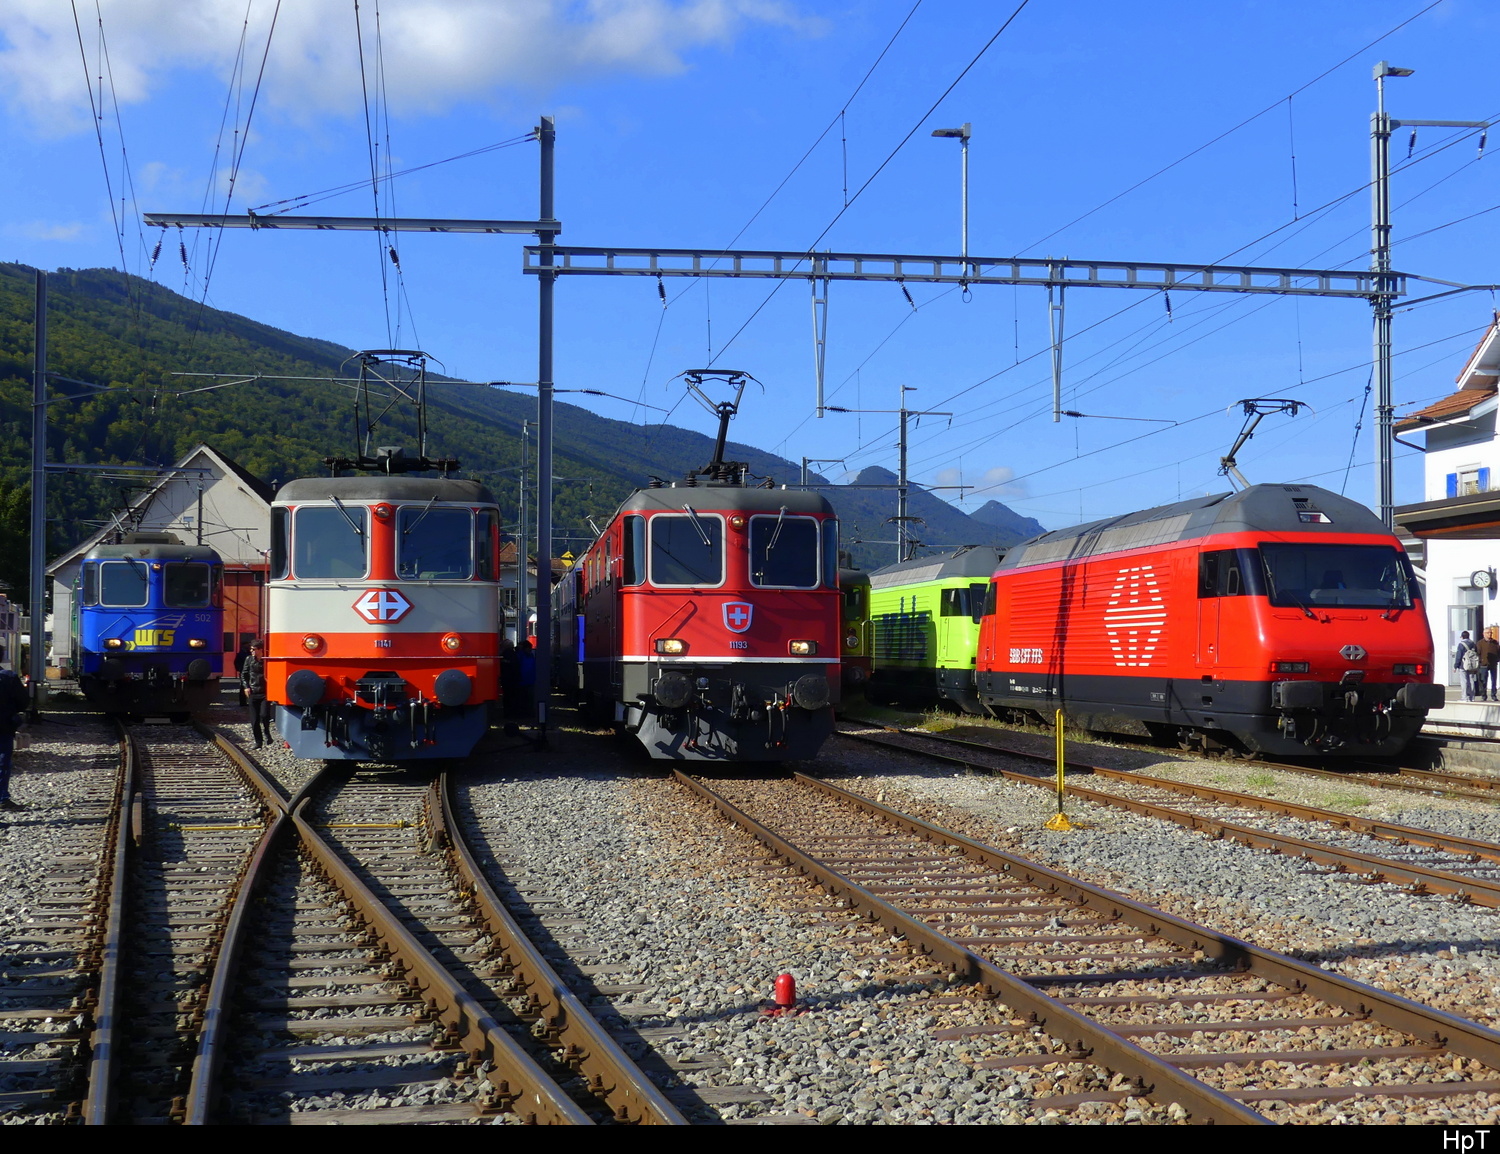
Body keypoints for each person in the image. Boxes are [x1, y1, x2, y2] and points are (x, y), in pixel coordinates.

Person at [0, 646, 29, 811]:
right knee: (2, 762)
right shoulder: (9, 678)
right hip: (3, 726)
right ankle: (2, 798)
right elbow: (23, 702)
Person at [242, 639, 270, 748]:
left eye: (253, 649)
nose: (251, 651)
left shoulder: (266, 660)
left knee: (264, 715)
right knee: (254, 720)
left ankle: (267, 733)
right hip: (253, 692)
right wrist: (246, 687)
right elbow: (244, 674)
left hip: (264, 693)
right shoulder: (249, 660)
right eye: (251, 649)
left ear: (260, 650)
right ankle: (258, 741)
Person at [1456, 630, 1481, 701]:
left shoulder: (1461, 644)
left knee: (1464, 681)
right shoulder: (1473, 643)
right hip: (1472, 665)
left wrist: (1456, 665)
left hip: (1463, 665)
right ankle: (1472, 697)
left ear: (1462, 637)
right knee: (1471, 680)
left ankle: (1465, 697)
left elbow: (1459, 655)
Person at [1482, 627, 1500, 702]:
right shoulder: (1480, 643)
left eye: (1490, 633)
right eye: (1488, 633)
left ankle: (1493, 695)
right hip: (1483, 664)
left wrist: (1497, 659)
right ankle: (1484, 695)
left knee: (1494, 680)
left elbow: (1499, 652)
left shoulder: (1495, 643)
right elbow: (1478, 653)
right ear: (1484, 634)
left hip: (1493, 664)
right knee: (1483, 681)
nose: (1490, 634)